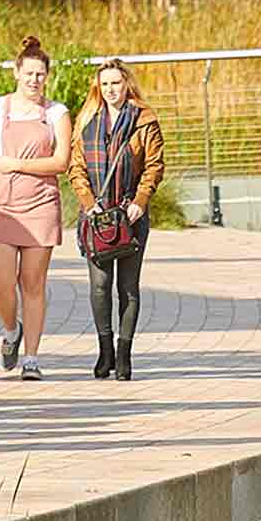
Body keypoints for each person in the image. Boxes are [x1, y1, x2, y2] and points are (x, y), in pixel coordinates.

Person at [0, 35, 72, 381]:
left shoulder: (57, 114)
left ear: (47, 76)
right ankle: (10, 330)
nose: (34, 80)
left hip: (41, 206)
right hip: (0, 206)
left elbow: (61, 161)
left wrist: (16, 164)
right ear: (16, 72)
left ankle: (31, 358)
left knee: (33, 283)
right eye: (28, 73)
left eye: (40, 75)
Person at [66, 59, 165, 382]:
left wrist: (140, 201)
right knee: (99, 286)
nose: (111, 90)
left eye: (116, 83)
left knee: (128, 287)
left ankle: (124, 354)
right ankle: (104, 349)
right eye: (105, 84)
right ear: (99, 87)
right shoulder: (87, 121)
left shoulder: (144, 120)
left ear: (127, 85)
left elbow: (154, 165)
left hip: (130, 214)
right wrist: (89, 203)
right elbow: (75, 167)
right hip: (97, 217)